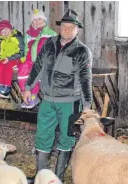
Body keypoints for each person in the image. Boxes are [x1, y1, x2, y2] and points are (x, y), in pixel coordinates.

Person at [23, 9, 93, 181]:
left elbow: (85, 80)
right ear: (60, 27)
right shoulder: (49, 43)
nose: (67, 30)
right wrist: (28, 87)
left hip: (70, 103)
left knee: (66, 138)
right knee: (42, 136)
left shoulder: (82, 51)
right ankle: (41, 177)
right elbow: (38, 66)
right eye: (64, 26)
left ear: (78, 30)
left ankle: (58, 178)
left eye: (71, 27)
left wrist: (86, 106)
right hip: (46, 99)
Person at [18, 9, 57, 109]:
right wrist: (24, 58)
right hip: (30, 60)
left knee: (36, 72)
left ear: (44, 20)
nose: (37, 21)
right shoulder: (28, 35)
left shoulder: (51, 33)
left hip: (43, 61)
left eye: (39, 19)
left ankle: (34, 96)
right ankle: (25, 94)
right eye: (34, 20)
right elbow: (26, 48)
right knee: (23, 69)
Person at [0, 20, 24, 99]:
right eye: (2, 32)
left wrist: (10, 58)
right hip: (5, 60)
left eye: (6, 30)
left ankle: (6, 89)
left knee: (7, 66)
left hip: (17, 58)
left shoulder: (17, 37)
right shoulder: (1, 41)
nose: (5, 33)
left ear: (10, 29)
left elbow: (22, 52)